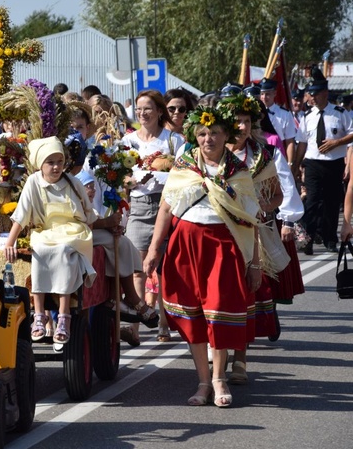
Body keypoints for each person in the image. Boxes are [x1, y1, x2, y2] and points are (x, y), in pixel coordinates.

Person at [143, 104, 261, 408]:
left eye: (215, 133)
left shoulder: (238, 170)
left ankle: (220, 378)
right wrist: (155, 248)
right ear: (195, 136)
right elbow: (167, 208)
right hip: (186, 244)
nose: (208, 139)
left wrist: (256, 262)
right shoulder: (183, 165)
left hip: (223, 245)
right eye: (202, 133)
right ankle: (203, 381)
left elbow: (252, 219)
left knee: (218, 311)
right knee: (193, 312)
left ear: (226, 135)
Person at [4, 137, 97, 345]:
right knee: (40, 250)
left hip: (73, 231)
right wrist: (10, 242)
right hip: (45, 231)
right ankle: (39, 314)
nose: (56, 167)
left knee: (64, 251)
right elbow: (22, 214)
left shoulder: (73, 182)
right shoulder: (33, 182)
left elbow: (87, 215)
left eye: (59, 161)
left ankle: (64, 316)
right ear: (40, 165)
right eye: (50, 162)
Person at [222, 93, 284, 384]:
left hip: (252, 235)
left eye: (246, 121)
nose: (242, 126)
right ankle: (217, 346)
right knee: (220, 294)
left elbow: (277, 196)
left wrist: (260, 210)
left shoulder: (262, 155)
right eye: (236, 121)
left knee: (246, 294)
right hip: (220, 233)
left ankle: (240, 359)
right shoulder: (213, 153)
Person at [122, 90, 185, 342]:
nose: (142, 113)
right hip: (137, 206)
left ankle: (164, 323)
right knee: (137, 269)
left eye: (147, 108)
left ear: (160, 111)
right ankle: (135, 327)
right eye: (139, 109)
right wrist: (129, 180)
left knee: (167, 269)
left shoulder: (173, 141)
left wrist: (158, 176)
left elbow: (184, 174)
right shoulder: (128, 142)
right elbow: (117, 172)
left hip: (167, 205)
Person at [75, 170, 158, 344]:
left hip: (86, 231)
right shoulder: (72, 196)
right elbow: (82, 222)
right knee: (120, 243)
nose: (92, 191)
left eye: (93, 187)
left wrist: (111, 226)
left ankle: (119, 296)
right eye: (88, 187)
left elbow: (93, 218)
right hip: (74, 234)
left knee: (121, 241)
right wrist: (106, 224)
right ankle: (130, 296)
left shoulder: (88, 203)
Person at [293, 69, 353, 254]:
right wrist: (295, 166)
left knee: (331, 201)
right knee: (311, 201)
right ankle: (308, 239)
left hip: (333, 163)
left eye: (316, 94)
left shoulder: (340, 113)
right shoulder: (307, 117)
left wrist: (337, 142)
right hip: (312, 163)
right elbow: (302, 143)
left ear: (325, 93)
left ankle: (330, 239)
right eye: (311, 94)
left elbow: (352, 133)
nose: (313, 98)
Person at [259, 78, 296, 162]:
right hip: (259, 154)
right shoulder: (254, 113)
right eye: (262, 94)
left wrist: (290, 163)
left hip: (278, 154)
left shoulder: (285, 114)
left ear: (274, 93)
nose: (264, 97)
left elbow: (289, 141)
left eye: (267, 94)